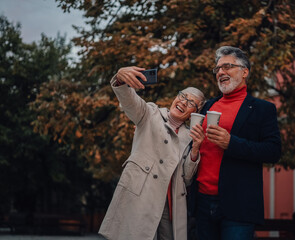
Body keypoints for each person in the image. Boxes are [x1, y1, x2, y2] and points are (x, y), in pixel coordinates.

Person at [99, 66, 206, 240]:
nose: (184, 102)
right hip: (139, 196)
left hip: (169, 205)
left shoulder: (190, 137)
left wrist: (196, 148)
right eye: (182, 96)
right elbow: (129, 101)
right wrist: (120, 79)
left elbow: (186, 179)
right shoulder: (149, 113)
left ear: (195, 113)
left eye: (191, 103)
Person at [189, 46, 282, 240]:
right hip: (202, 203)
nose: (221, 72)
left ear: (245, 71)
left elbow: (273, 151)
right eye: (217, 69)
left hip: (239, 205)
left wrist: (231, 143)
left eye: (227, 66)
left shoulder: (262, 109)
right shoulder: (207, 106)